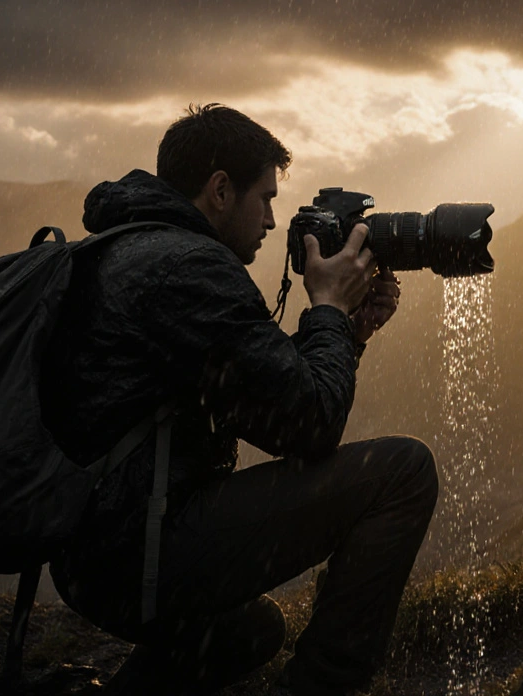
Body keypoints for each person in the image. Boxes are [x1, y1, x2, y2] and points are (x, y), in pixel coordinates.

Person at [40, 103, 439, 696]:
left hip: (91, 555)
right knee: (403, 473)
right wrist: (326, 308)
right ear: (220, 190)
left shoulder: (134, 247)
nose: (275, 222)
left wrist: (347, 336)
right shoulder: (187, 270)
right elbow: (307, 424)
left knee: (250, 632)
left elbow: (263, 393)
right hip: (138, 556)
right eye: (267, 199)